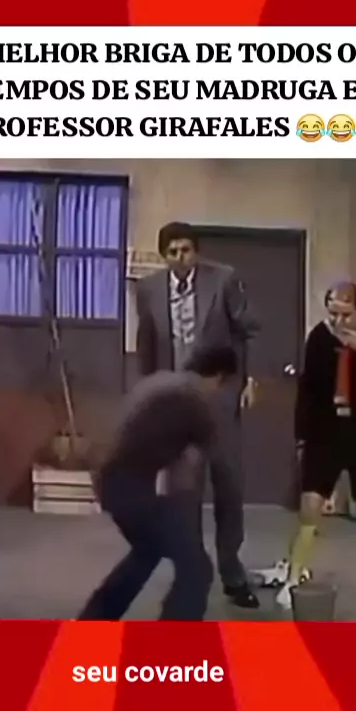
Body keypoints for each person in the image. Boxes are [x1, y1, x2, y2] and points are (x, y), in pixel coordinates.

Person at [135, 221, 260, 608]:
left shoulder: (223, 280)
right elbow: (146, 346)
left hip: (219, 397)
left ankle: (232, 572)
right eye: (173, 252)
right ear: (164, 256)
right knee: (184, 493)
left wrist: (248, 379)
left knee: (229, 487)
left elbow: (247, 330)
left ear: (196, 251)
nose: (180, 258)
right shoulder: (148, 289)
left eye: (186, 250)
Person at [77, 346, 239, 621]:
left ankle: (93, 621)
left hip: (110, 481)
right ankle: (172, 638)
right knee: (197, 569)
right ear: (220, 377)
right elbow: (213, 472)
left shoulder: (161, 381)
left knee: (147, 552)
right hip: (130, 487)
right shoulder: (196, 402)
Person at [276, 281, 356, 609]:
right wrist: (301, 434)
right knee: (310, 505)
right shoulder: (320, 336)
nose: (338, 321)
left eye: (345, 314)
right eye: (332, 313)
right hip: (325, 431)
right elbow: (307, 388)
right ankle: (293, 579)